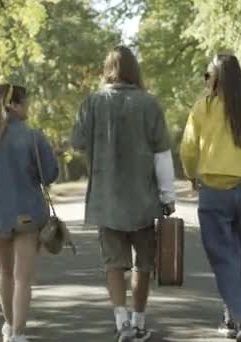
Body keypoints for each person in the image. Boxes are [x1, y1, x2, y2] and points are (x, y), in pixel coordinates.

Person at [71, 46, 176, 342]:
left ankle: (121, 324)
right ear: (134, 70)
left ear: (108, 69)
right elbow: (162, 154)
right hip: (144, 199)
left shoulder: (91, 103)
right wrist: (167, 197)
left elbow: (77, 142)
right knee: (144, 264)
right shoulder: (149, 103)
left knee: (113, 264)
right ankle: (139, 321)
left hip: (107, 199)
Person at [180, 54, 241, 342]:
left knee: (223, 259)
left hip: (213, 193)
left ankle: (240, 317)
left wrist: (191, 175)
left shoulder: (203, 109)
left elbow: (187, 149)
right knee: (240, 257)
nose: (206, 81)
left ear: (217, 79)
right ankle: (233, 316)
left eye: (208, 75)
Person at [0, 83, 59, 342]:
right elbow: (49, 175)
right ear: (13, 105)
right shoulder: (33, 137)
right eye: (25, 102)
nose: (28, 106)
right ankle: (18, 334)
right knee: (22, 278)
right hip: (28, 216)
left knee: (6, 274)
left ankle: (9, 328)